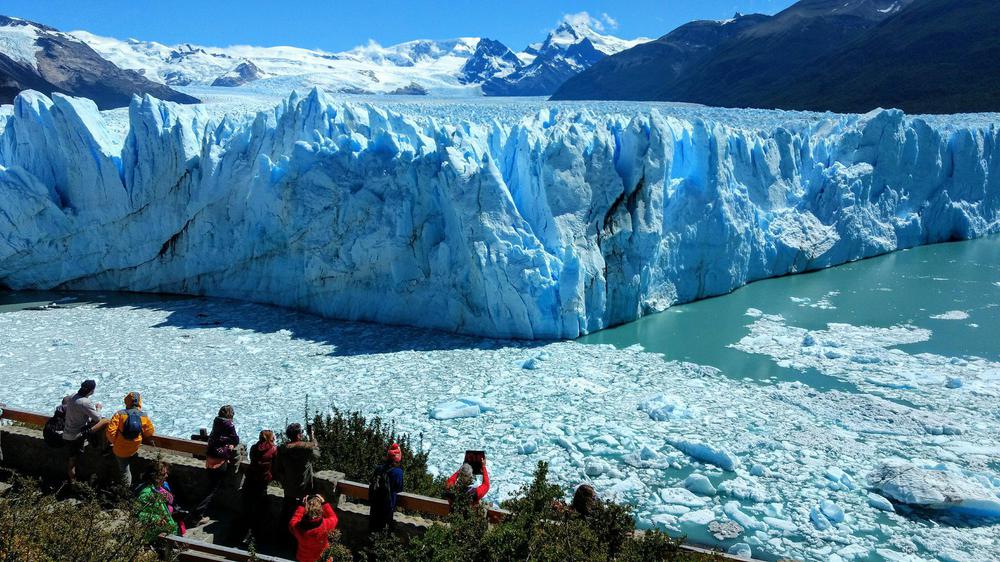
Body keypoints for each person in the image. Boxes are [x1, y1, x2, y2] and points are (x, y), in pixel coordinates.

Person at [194, 405, 240, 519]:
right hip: (220, 460)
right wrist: (230, 444)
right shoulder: (229, 424)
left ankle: (198, 511)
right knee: (212, 489)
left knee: (209, 487)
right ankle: (197, 514)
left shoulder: (216, 422)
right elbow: (235, 439)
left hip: (210, 457)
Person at [61, 379, 109, 482]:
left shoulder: (73, 396)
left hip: (67, 434)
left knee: (71, 461)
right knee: (105, 421)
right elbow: (97, 418)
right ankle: (103, 447)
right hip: (77, 435)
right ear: (92, 391)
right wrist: (98, 408)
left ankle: (72, 482)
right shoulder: (85, 402)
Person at [106, 391, 155, 488]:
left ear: (127, 401)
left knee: (124, 470)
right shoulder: (144, 416)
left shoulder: (119, 414)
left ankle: (125, 491)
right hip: (134, 447)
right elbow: (150, 432)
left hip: (120, 449)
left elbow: (110, 432)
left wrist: (115, 442)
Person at [274, 423, 320, 528]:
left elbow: (278, 469)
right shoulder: (306, 448)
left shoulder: (282, 450)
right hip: (305, 489)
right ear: (299, 435)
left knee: (286, 515)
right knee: (304, 516)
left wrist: (285, 482)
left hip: (289, 488)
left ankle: (282, 536)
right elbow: (317, 454)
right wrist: (312, 437)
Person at [238, 429, 278, 545]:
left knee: (248, 507)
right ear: (271, 438)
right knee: (260, 509)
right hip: (262, 481)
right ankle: (256, 536)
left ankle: (245, 533)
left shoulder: (254, 448)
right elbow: (275, 466)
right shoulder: (274, 450)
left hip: (250, 479)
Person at [136, 461, 186, 542]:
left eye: (166, 473)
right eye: (163, 474)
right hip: (155, 536)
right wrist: (157, 519)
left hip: (166, 531)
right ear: (154, 476)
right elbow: (138, 513)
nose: (167, 475)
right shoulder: (146, 493)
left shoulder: (161, 487)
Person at [289, 494, 338, 562]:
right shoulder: (326, 525)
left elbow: (292, 522)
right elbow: (334, 518)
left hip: (303, 558)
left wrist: (302, 506)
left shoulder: (299, 528)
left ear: (306, 511)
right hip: (322, 558)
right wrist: (324, 503)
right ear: (321, 510)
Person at [368, 443, 404, 532]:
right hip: (388, 505)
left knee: (373, 527)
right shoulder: (398, 472)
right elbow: (399, 488)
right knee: (385, 529)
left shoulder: (378, 468)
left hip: (375, 503)